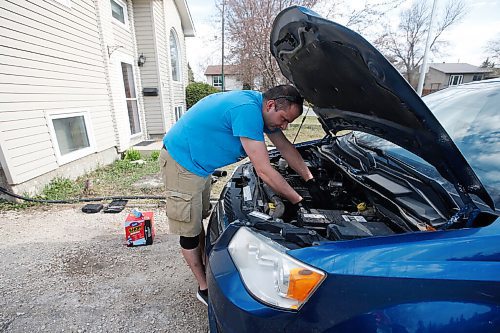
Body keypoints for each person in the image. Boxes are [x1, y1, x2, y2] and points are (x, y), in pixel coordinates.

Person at [159, 84, 324, 306]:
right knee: (188, 229)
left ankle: (206, 265)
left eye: (288, 123)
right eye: (284, 119)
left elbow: (285, 147)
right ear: (271, 104)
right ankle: (204, 287)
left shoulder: (263, 109)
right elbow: (264, 170)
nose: (284, 126)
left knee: (197, 219)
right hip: (183, 163)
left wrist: (309, 179)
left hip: (201, 165)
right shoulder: (247, 111)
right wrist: (299, 201)